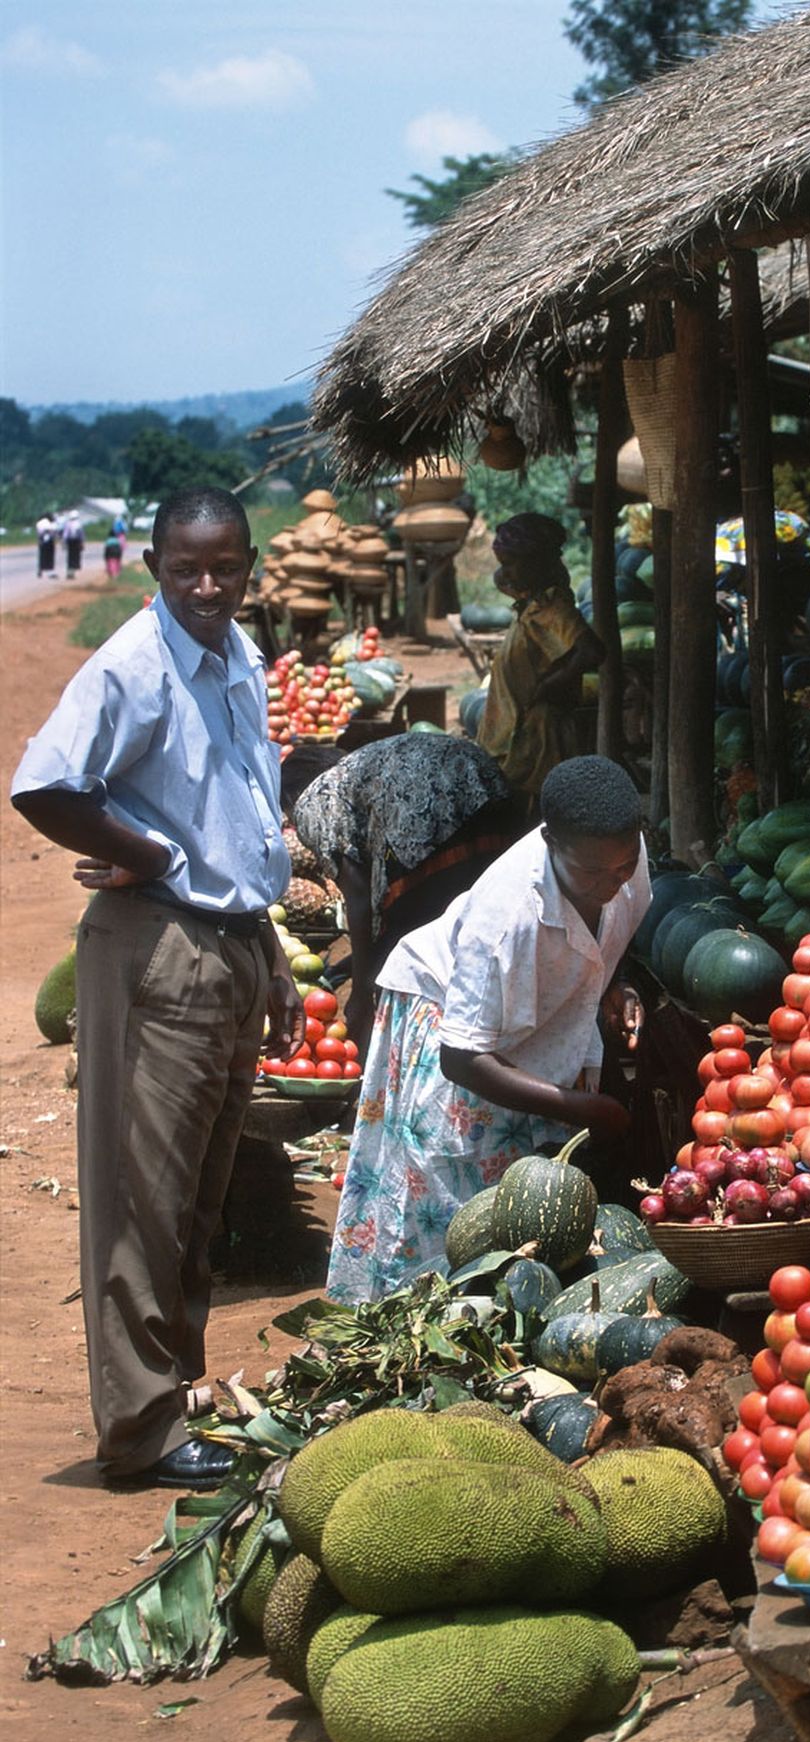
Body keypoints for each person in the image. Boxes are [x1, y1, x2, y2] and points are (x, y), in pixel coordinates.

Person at [11, 487, 304, 1490]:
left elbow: (240, 807)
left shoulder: (238, 657)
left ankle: (175, 1396)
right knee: (144, 1197)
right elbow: (45, 782)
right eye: (187, 570)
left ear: (250, 564)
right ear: (156, 568)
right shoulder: (133, 665)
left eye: (225, 567)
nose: (208, 586)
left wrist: (263, 945)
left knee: (197, 1193)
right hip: (156, 950)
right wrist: (144, 848)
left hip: (222, 941)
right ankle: (137, 1427)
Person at [327, 755, 650, 1305]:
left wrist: (615, 984)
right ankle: (423, 1319)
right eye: (592, 873)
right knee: (450, 1193)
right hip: (447, 1021)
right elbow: (462, 1057)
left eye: (621, 869)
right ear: (549, 841)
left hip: (522, 1017)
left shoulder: (624, 860)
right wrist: (578, 1106)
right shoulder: (506, 913)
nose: (609, 884)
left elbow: (604, 938)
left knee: (525, 1197)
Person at [282, 734, 522, 1051]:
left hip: (430, 828)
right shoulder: (360, 765)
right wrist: (359, 960)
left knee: (424, 960)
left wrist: (361, 991)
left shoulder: (313, 798)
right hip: (486, 791)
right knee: (474, 937)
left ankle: (430, 1055)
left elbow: (357, 897)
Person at [476, 512, 604, 800]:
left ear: (537, 561)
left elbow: (592, 650)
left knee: (532, 822)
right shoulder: (533, 603)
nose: (504, 573)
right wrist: (513, 570)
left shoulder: (552, 606)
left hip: (536, 742)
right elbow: (503, 580)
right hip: (516, 737)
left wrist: (551, 684)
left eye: (511, 564)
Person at [62, 510, 85, 579]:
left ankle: (69, 572)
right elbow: (81, 535)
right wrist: (82, 543)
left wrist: (64, 543)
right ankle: (72, 573)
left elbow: (65, 535)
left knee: (70, 557)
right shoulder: (79, 524)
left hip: (70, 542)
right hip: (76, 542)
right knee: (75, 557)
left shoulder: (67, 524)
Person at [36, 512, 57, 577]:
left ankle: (40, 570)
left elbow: (39, 533)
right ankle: (50, 572)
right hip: (49, 541)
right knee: (50, 557)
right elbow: (53, 532)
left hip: (41, 541)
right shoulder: (50, 523)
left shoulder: (39, 523)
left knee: (42, 556)